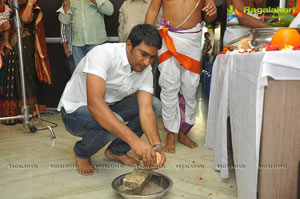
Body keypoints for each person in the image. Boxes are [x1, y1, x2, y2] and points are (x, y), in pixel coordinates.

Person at [57, 24, 166, 176]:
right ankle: (81, 152)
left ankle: (116, 151)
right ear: (129, 45)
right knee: (116, 120)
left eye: (152, 57)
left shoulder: (145, 70)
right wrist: (135, 142)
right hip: (75, 112)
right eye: (143, 54)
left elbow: (146, 110)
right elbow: (95, 105)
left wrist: (156, 145)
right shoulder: (103, 54)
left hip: (111, 106)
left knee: (155, 105)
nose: (147, 62)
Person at [145, 0, 217, 153]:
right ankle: (171, 133)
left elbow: (209, 17)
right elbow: (153, 10)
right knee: (169, 85)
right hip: (168, 38)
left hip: (193, 39)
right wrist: (147, 39)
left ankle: (184, 132)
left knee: (190, 88)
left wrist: (212, 11)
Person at [1, 0, 52, 124]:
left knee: (25, 77)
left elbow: (25, 19)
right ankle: (12, 114)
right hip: (9, 47)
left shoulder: (31, 6)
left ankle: (31, 113)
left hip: (24, 45)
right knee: (11, 79)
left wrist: (29, 3)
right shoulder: (8, 7)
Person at [57, 0, 114, 68]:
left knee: (97, 74)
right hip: (77, 46)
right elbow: (65, 20)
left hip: (96, 43)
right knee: (80, 76)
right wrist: (66, 3)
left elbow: (109, 11)